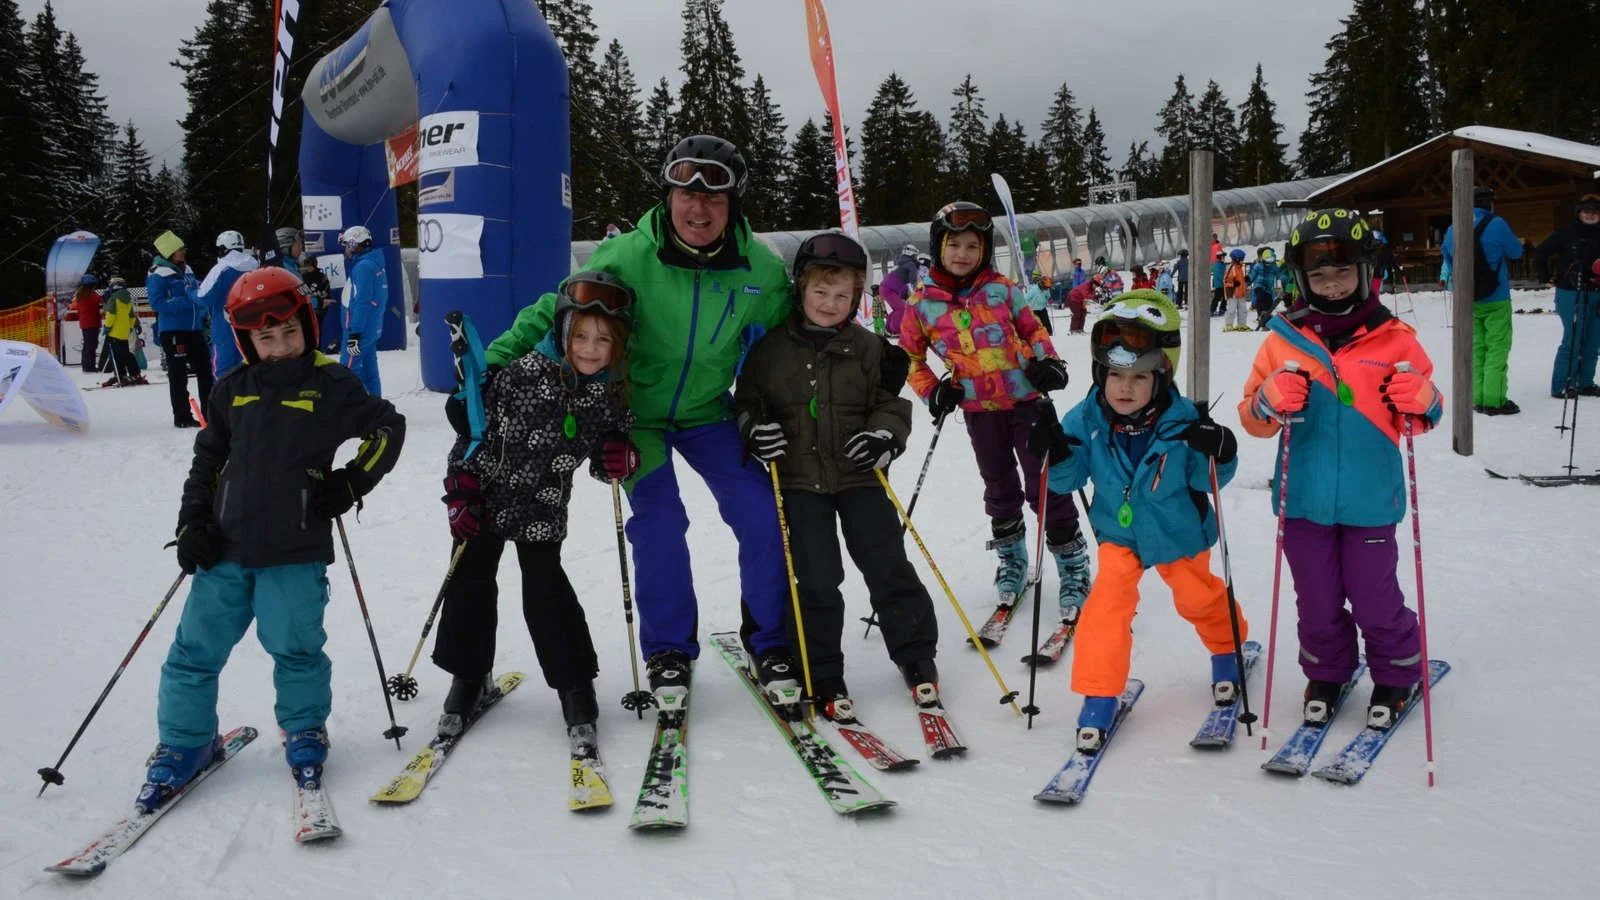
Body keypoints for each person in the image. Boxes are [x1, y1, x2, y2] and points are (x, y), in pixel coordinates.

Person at [475, 135, 834, 712]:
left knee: (762, 510)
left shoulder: (759, 269)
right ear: (667, 197)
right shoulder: (625, 259)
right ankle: (669, 649)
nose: (699, 210)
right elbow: (556, 309)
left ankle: (772, 643)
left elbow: (792, 335)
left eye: (713, 200)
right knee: (661, 521)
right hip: (635, 418)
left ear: (732, 204)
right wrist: (491, 367)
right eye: (686, 195)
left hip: (709, 413)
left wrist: (847, 360)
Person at [140, 266, 405, 810]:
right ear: (247, 340)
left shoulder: (332, 384)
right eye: (266, 337)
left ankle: (304, 729)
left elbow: (387, 428)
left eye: (289, 332)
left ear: (307, 324)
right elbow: (208, 461)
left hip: (294, 550)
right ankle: (187, 743)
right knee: (194, 653)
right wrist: (192, 523)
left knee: (297, 649)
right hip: (224, 550)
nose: (280, 346)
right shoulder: (232, 389)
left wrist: (351, 482)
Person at [1238, 208, 1441, 731]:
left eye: (1343, 272)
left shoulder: (1394, 338)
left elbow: (1423, 413)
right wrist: (1267, 399)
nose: (1331, 284)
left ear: (1366, 272)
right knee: (1317, 599)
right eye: (1319, 275)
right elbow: (1251, 418)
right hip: (1302, 500)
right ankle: (1328, 671)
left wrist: (1422, 399)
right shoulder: (1283, 340)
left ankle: (1397, 672)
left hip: (1370, 500)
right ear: (1301, 279)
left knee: (1375, 596)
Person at [1028, 289, 1247, 752]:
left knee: (1196, 597)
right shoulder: (1085, 417)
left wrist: (1220, 452)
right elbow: (1067, 481)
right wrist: (1054, 452)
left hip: (1177, 532)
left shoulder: (1184, 421)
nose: (1123, 388)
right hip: (1120, 534)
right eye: (1114, 375)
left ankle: (1228, 650)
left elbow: (1208, 481)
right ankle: (1100, 693)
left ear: (1162, 376)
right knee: (1107, 605)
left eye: (1138, 377)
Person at [734, 231, 940, 713]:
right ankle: (820, 669)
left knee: (887, 564)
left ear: (857, 297)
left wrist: (884, 436)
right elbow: (746, 402)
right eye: (820, 292)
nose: (830, 303)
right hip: (800, 482)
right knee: (816, 576)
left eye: (842, 295)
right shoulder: (769, 351)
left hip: (859, 478)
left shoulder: (870, 349)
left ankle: (915, 655)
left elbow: (890, 405)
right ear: (801, 288)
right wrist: (754, 429)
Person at [433, 271, 635, 751]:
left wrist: (618, 456)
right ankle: (469, 675)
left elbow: (613, 445)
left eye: (602, 340)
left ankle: (574, 684)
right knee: (469, 583)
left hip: (543, 506)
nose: (589, 349)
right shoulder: (522, 373)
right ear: (562, 332)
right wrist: (461, 487)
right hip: (484, 498)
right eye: (580, 336)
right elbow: (472, 435)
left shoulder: (609, 395)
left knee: (545, 591)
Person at [899, 201, 1090, 618]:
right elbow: (910, 358)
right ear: (939, 247)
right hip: (979, 411)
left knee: (1046, 485)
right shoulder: (921, 303)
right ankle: (1012, 561)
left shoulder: (1003, 289)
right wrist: (933, 392)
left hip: (1027, 403)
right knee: (999, 486)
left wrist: (1049, 363)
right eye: (955, 244)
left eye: (973, 245)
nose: (964, 253)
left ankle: (1073, 565)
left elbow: (1032, 328)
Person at [1441, 186, 1523, 415]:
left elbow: (1448, 260)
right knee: (1497, 348)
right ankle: (1494, 400)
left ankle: (1476, 397)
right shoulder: (1496, 224)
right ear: (1490, 204)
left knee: (1475, 348)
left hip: (1467, 298)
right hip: (1496, 296)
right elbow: (1516, 251)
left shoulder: (1452, 229)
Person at [1534, 194, 1600, 398]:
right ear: (1579, 212)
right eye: (1586, 211)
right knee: (1573, 338)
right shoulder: (1565, 233)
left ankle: (1585, 382)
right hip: (1570, 292)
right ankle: (1562, 384)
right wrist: (1545, 277)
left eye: (1595, 211)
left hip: (1597, 293)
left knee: (1593, 339)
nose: (1590, 215)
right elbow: (1541, 252)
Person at [146, 231, 210, 425]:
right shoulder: (157, 274)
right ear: (169, 252)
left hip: (194, 329)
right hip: (173, 331)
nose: (184, 252)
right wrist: (186, 301)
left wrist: (201, 305)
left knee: (206, 371)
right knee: (178, 376)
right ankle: (182, 417)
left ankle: (211, 413)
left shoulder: (187, 269)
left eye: (183, 248)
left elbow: (197, 289)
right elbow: (157, 303)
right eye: (180, 249)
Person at [198, 230, 261, 379]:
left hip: (225, 325)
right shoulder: (255, 266)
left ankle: (223, 401)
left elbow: (204, 297)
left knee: (222, 369)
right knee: (249, 365)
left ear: (223, 249)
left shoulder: (221, 268)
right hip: (252, 324)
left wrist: (190, 291)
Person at [339, 225, 387, 396]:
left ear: (355, 244)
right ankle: (376, 412)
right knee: (369, 374)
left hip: (359, 332)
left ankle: (353, 415)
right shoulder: (372, 263)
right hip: (368, 329)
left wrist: (355, 334)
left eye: (347, 245)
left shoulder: (364, 267)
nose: (345, 249)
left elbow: (362, 302)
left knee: (348, 372)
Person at [99, 276, 146, 386]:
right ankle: (122, 375)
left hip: (115, 332)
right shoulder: (127, 299)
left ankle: (128, 374)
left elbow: (111, 315)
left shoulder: (114, 299)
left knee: (119, 355)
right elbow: (132, 317)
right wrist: (129, 327)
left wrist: (107, 327)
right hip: (124, 332)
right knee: (122, 353)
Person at [878, 246, 919, 337]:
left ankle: (889, 329)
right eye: (915, 255)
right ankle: (895, 331)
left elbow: (901, 280)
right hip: (890, 289)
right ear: (911, 254)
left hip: (885, 287)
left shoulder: (901, 263)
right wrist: (917, 291)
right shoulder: (911, 264)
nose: (916, 258)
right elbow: (914, 281)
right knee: (902, 309)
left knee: (897, 309)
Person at [71, 275, 101, 373]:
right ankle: (90, 366)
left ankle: (86, 365)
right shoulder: (92, 295)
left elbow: (75, 306)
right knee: (91, 345)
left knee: (87, 345)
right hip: (93, 323)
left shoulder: (80, 295)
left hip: (85, 323)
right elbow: (99, 301)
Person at [1250, 247, 1282, 330]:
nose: (1269, 263)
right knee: (1260, 300)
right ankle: (1261, 315)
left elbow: (1279, 274)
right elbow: (1252, 275)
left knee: (1268, 303)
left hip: (1268, 288)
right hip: (1259, 286)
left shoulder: (1274, 266)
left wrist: (1284, 278)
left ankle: (1266, 320)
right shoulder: (1258, 265)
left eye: (1271, 261)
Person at [1222, 249, 1251, 331]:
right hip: (1233, 293)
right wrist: (1233, 284)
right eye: (1241, 259)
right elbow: (1226, 280)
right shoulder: (1231, 268)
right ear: (1236, 259)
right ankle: (1228, 325)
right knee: (1231, 310)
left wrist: (1245, 280)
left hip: (1241, 293)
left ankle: (1241, 324)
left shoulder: (1239, 268)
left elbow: (1239, 280)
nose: (1243, 261)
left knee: (1243, 310)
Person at [1024, 269, 1054, 334]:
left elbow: (1047, 295)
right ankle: (1038, 335)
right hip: (1034, 310)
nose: (1046, 289)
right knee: (1037, 324)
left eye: (1048, 288)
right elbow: (1026, 298)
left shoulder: (1046, 288)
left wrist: (1049, 299)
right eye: (1046, 288)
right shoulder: (1034, 289)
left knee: (1046, 322)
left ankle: (1049, 334)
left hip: (1042, 308)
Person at [1209, 250, 1228, 317]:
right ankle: (1212, 310)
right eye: (1223, 256)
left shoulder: (1222, 264)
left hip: (1223, 284)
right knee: (1217, 298)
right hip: (1219, 284)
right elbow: (1220, 274)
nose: (1224, 258)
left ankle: (1222, 309)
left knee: (1225, 298)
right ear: (1220, 257)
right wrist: (1225, 280)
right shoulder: (1217, 264)